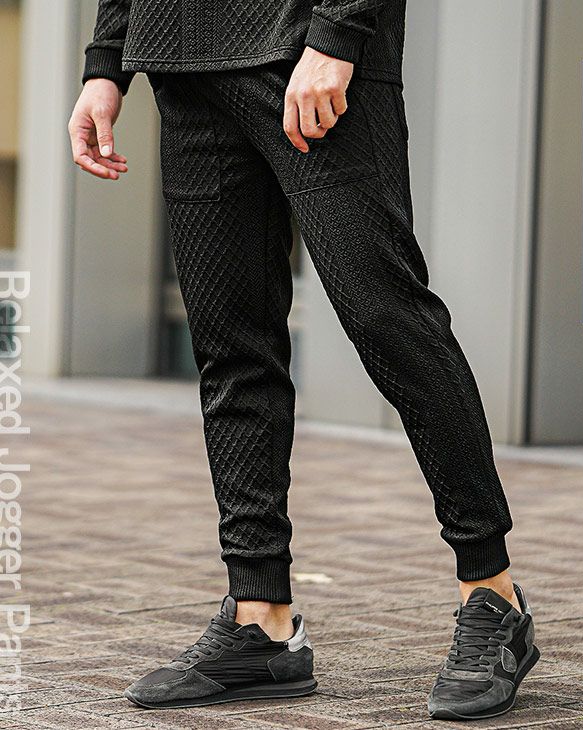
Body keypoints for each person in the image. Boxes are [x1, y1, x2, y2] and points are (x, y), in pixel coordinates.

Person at [68, 0, 540, 720]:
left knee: (389, 321)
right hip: (181, 60)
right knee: (232, 349)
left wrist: (339, 31)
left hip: (303, 48)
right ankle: (261, 620)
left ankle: (492, 594)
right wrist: (106, 62)